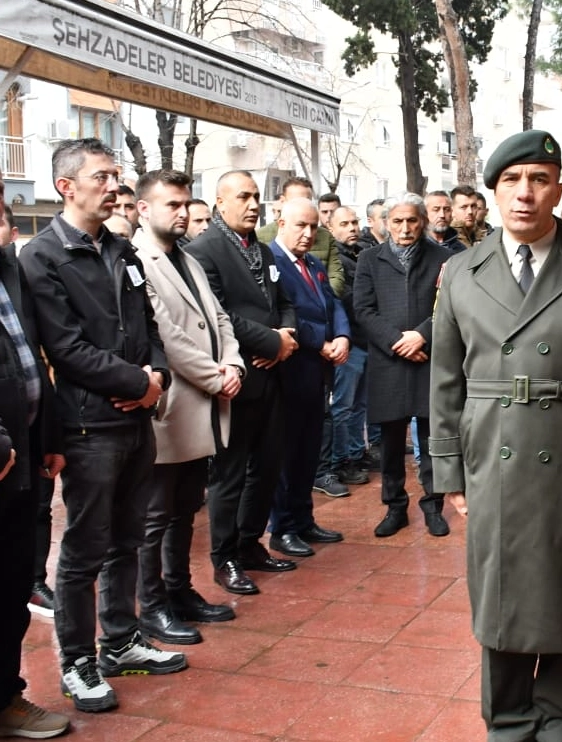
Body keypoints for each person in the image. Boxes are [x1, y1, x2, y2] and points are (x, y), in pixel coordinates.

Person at [430, 130, 562, 742]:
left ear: (558, 187)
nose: (524, 194)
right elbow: (446, 381)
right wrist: (448, 470)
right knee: (500, 599)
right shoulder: (460, 274)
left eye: (538, 179)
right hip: (492, 455)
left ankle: (561, 725)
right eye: (511, 181)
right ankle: (508, 724)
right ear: (495, 191)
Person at [20, 138, 184, 713]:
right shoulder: (41, 256)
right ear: (67, 186)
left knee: (128, 539)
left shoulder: (123, 250)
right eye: (103, 174)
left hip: (137, 417)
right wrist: (137, 383)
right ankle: (77, 661)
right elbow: (65, 347)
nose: (115, 184)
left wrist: (156, 378)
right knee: (85, 550)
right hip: (89, 426)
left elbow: (150, 328)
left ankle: (121, 642)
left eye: (117, 174)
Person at [132, 170, 243, 646]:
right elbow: (166, 335)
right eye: (171, 205)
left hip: (207, 400)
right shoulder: (138, 259)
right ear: (143, 209)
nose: (181, 213)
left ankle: (180, 592)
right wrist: (216, 375)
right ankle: (152, 606)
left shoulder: (187, 258)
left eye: (185, 204)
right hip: (174, 404)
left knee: (184, 510)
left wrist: (234, 361)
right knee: (157, 515)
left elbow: (218, 316)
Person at [185, 170, 299, 596]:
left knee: (267, 468)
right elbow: (217, 314)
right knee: (230, 475)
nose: (254, 205)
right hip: (238, 379)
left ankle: (251, 544)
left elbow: (283, 301)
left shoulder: (264, 251)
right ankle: (224, 557)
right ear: (219, 201)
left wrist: (285, 339)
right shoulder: (203, 251)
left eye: (256, 197)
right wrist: (270, 341)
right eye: (244, 197)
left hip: (273, 377)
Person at [0, 183, 70, 738]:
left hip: (22, 458)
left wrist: (46, 434)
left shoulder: (8, 271)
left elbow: (32, 359)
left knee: (10, 586)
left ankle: (8, 698)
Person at [354, 193, 451, 538]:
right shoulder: (369, 259)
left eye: (412, 220)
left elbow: (450, 308)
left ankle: (433, 506)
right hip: (389, 361)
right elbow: (363, 310)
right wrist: (400, 342)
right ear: (386, 224)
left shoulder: (444, 258)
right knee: (391, 442)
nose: (405, 228)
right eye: (397, 221)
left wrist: (422, 336)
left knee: (431, 439)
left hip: (429, 359)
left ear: (422, 221)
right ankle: (395, 507)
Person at [266, 198, 348, 557]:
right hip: (290, 371)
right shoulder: (271, 262)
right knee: (286, 454)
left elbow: (333, 303)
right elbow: (283, 316)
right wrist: (323, 342)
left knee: (308, 451)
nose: (308, 233)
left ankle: (303, 519)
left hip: (317, 373)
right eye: (301, 225)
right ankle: (282, 527)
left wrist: (343, 335)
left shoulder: (312, 263)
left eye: (314, 226)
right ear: (280, 222)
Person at [327, 206, 375, 483]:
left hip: (365, 340)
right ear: (331, 228)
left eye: (355, 222)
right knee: (343, 407)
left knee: (360, 405)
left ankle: (357, 454)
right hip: (348, 342)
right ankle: (339, 461)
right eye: (344, 223)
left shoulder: (361, 255)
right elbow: (349, 301)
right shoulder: (336, 262)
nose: (352, 227)